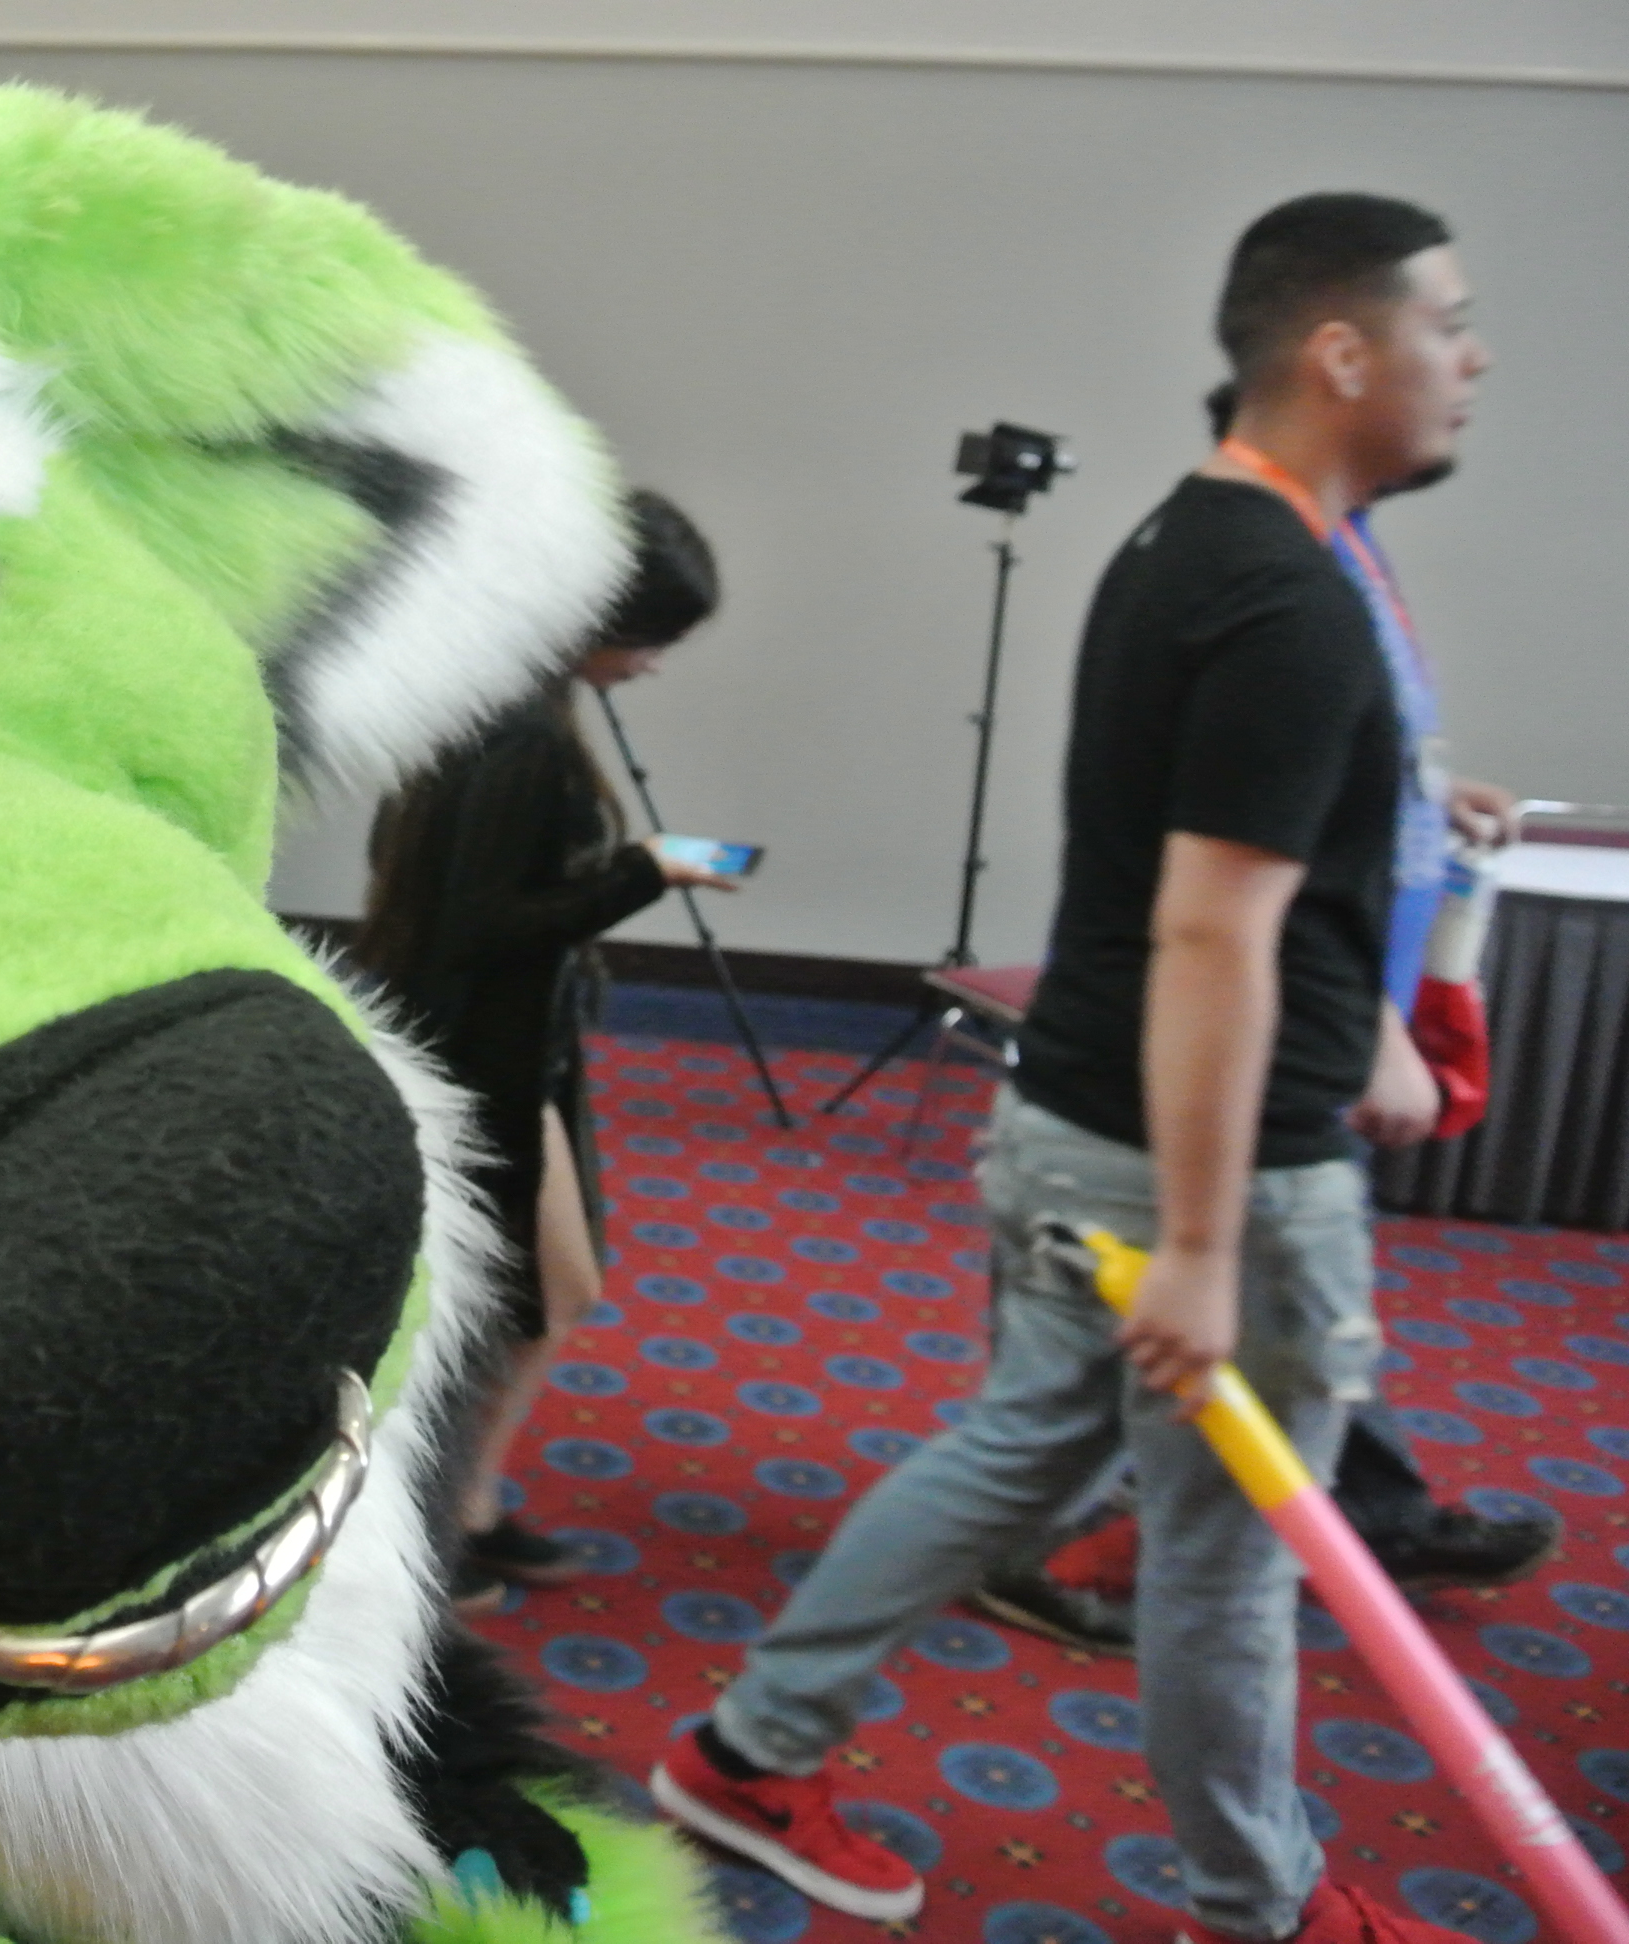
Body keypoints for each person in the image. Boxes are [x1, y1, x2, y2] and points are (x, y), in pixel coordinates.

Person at [650, 194, 1489, 1942]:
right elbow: (1213, 933)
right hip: (1210, 1163)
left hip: (1078, 1109)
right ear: (1342, 353)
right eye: (1448, 324)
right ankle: (1262, 1908)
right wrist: (1203, 1240)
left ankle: (748, 1749)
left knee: (1015, 1451)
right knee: (1223, 1560)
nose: (1470, 361)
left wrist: (1370, 977)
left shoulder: (1190, 539)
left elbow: (1249, 880)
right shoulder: (1290, 602)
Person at [969, 383, 1556, 1656]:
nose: (1466, 374)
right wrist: (1371, 1032)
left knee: (1260, 1312)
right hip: (1214, 1027)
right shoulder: (1270, 576)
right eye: (1438, 342)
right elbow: (1233, 879)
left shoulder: (1293, 550)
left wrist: (1424, 794)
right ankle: (803, 1701)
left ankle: (1363, 1509)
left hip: (1239, 1025)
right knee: (1148, 1331)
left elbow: (1305, 781)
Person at [359, 489, 732, 1607]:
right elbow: (482, 929)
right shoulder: (525, 740)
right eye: (650, 638)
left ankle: (461, 1508)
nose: (652, 665)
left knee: (548, 1290)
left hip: (480, 1044)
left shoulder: (491, 701)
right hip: (481, 1055)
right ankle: (433, 1523)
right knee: (509, 1302)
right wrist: (640, 874)